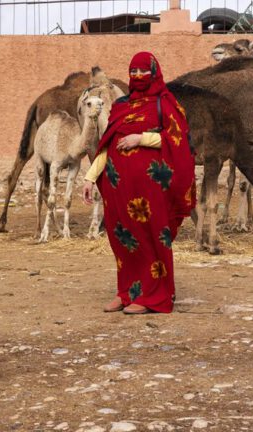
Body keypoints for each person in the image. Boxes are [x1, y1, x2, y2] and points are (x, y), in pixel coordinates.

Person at [82, 51, 195, 315]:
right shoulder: (122, 105)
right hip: (119, 191)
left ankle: (153, 297)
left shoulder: (166, 103)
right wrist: (89, 177)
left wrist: (140, 138)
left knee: (150, 242)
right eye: (134, 72)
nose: (138, 77)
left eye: (144, 71)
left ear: (155, 72)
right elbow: (108, 146)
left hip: (152, 194)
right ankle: (126, 293)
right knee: (124, 241)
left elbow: (179, 141)